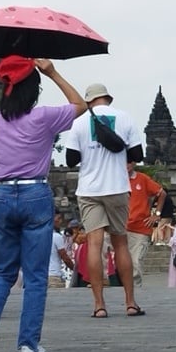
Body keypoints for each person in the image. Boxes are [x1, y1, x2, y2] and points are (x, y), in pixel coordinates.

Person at [0, 56, 85, 352]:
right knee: (35, 276)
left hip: (1, 195)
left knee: (2, 271)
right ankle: (28, 347)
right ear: (33, 91)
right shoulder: (43, 117)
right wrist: (53, 72)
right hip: (35, 194)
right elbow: (80, 105)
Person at [62, 83, 145, 318]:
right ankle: (130, 303)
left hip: (89, 190)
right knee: (120, 244)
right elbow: (138, 155)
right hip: (117, 187)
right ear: (108, 98)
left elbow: (70, 159)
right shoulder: (125, 118)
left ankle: (99, 305)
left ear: (88, 101)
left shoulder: (80, 122)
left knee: (95, 245)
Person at [124, 162, 166, 287]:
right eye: (124, 161)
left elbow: (162, 193)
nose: (126, 165)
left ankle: (135, 290)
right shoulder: (114, 179)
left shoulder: (142, 179)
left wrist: (156, 214)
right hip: (119, 227)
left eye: (129, 161)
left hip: (140, 229)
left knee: (135, 262)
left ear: (134, 163)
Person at [47, 213, 74, 289]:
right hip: (54, 276)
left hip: (40, 276)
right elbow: (65, 257)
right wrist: (75, 269)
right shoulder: (56, 236)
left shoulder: (38, 236)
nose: (60, 221)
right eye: (58, 218)